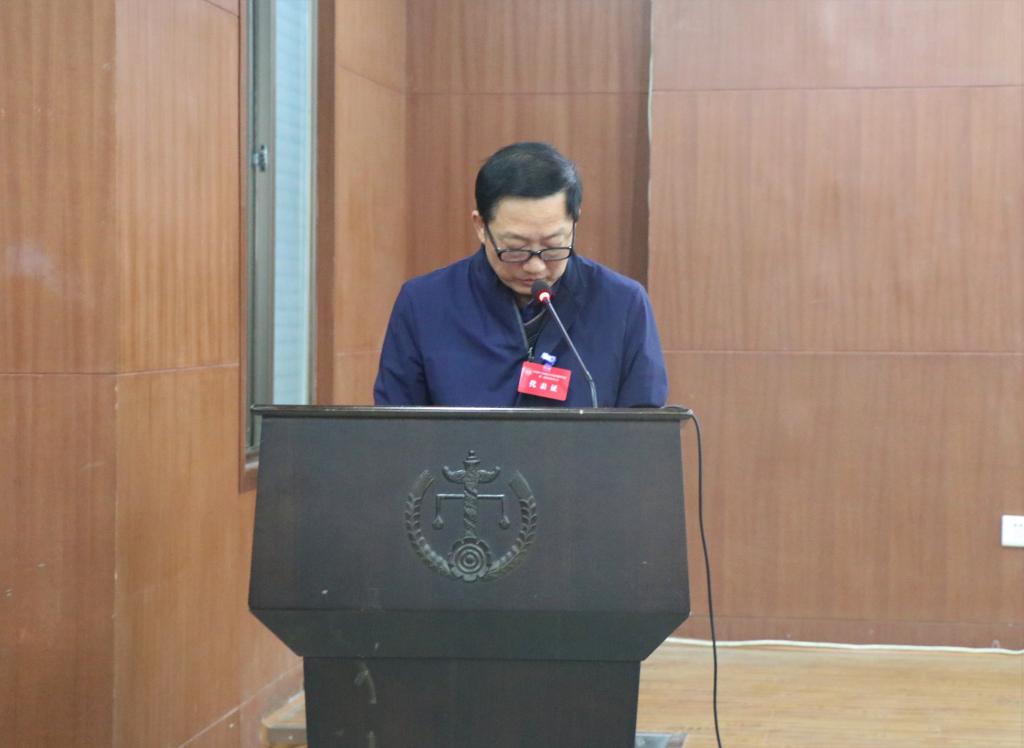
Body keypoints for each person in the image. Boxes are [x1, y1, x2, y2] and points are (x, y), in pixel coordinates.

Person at [373, 141, 668, 408]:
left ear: (574, 223)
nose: (536, 267)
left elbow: (644, 431)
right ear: (481, 226)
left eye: (553, 246)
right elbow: (396, 430)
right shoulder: (424, 304)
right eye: (515, 249)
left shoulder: (622, 305)